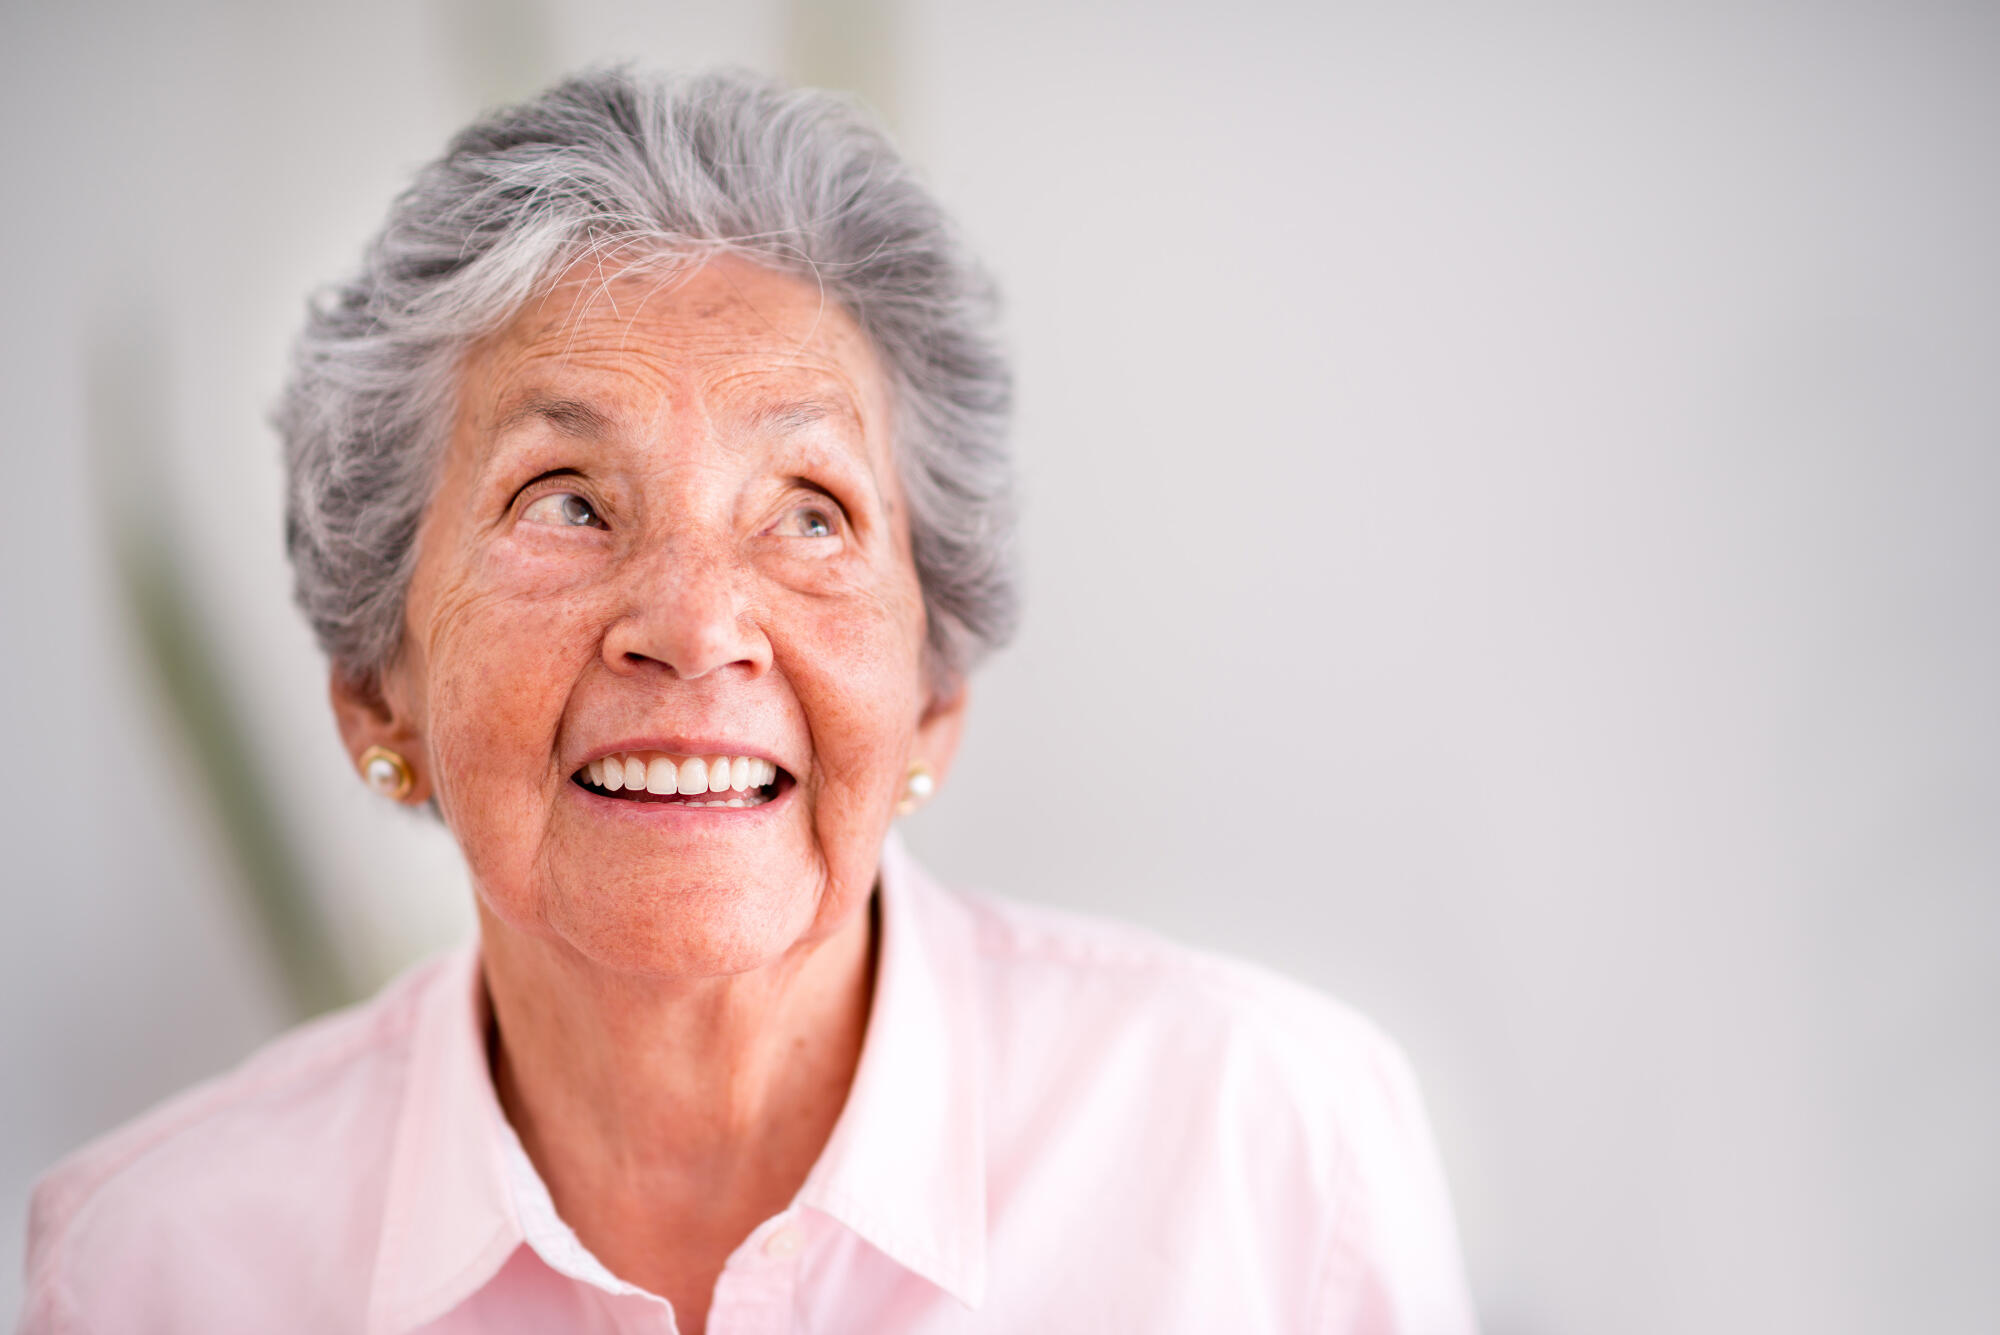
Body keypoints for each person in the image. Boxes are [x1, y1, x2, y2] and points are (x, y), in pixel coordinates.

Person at [19, 68, 1476, 1333]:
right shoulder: (149, 1268)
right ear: (370, 694)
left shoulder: (1275, 1148)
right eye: (566, 501)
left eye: (812, 513)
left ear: (932, 699)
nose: (698, 628)